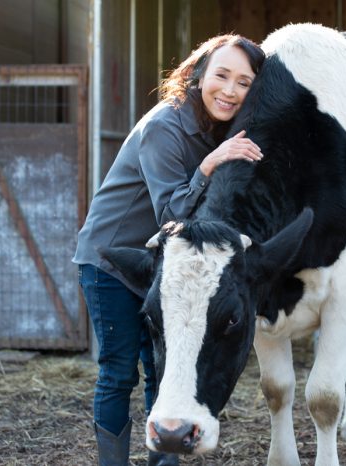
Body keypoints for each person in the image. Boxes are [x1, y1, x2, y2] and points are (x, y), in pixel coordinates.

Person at [73, 34, 265, 466]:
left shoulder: (223, 128)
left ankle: (165, 462)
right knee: (120, 371)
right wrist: (211, 162)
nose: (231, 90)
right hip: (112, 261)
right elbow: (172, 214)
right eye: (221, 76)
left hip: (165, 267)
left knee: (163, 368)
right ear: (198, 74)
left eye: (244, 82)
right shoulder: (165, 125)